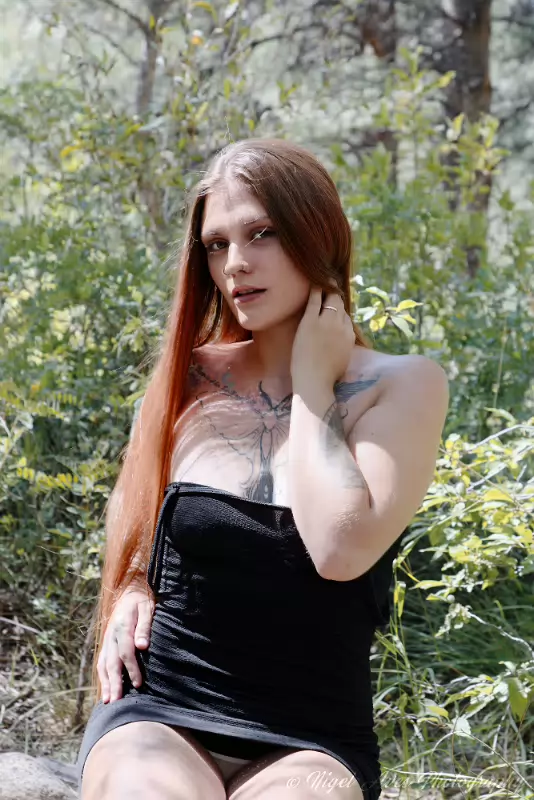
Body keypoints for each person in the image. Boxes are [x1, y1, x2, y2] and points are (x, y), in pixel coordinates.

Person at [77, 138, 449, 800]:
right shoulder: (189, 376)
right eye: (216, 245)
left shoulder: (403, 385)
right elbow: (134, 517)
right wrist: (131, 584)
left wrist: (312, 382)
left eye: (262, 233)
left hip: (310, 738)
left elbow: (338, 550)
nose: (236, 264)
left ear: (317, 232)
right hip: (160, 712)